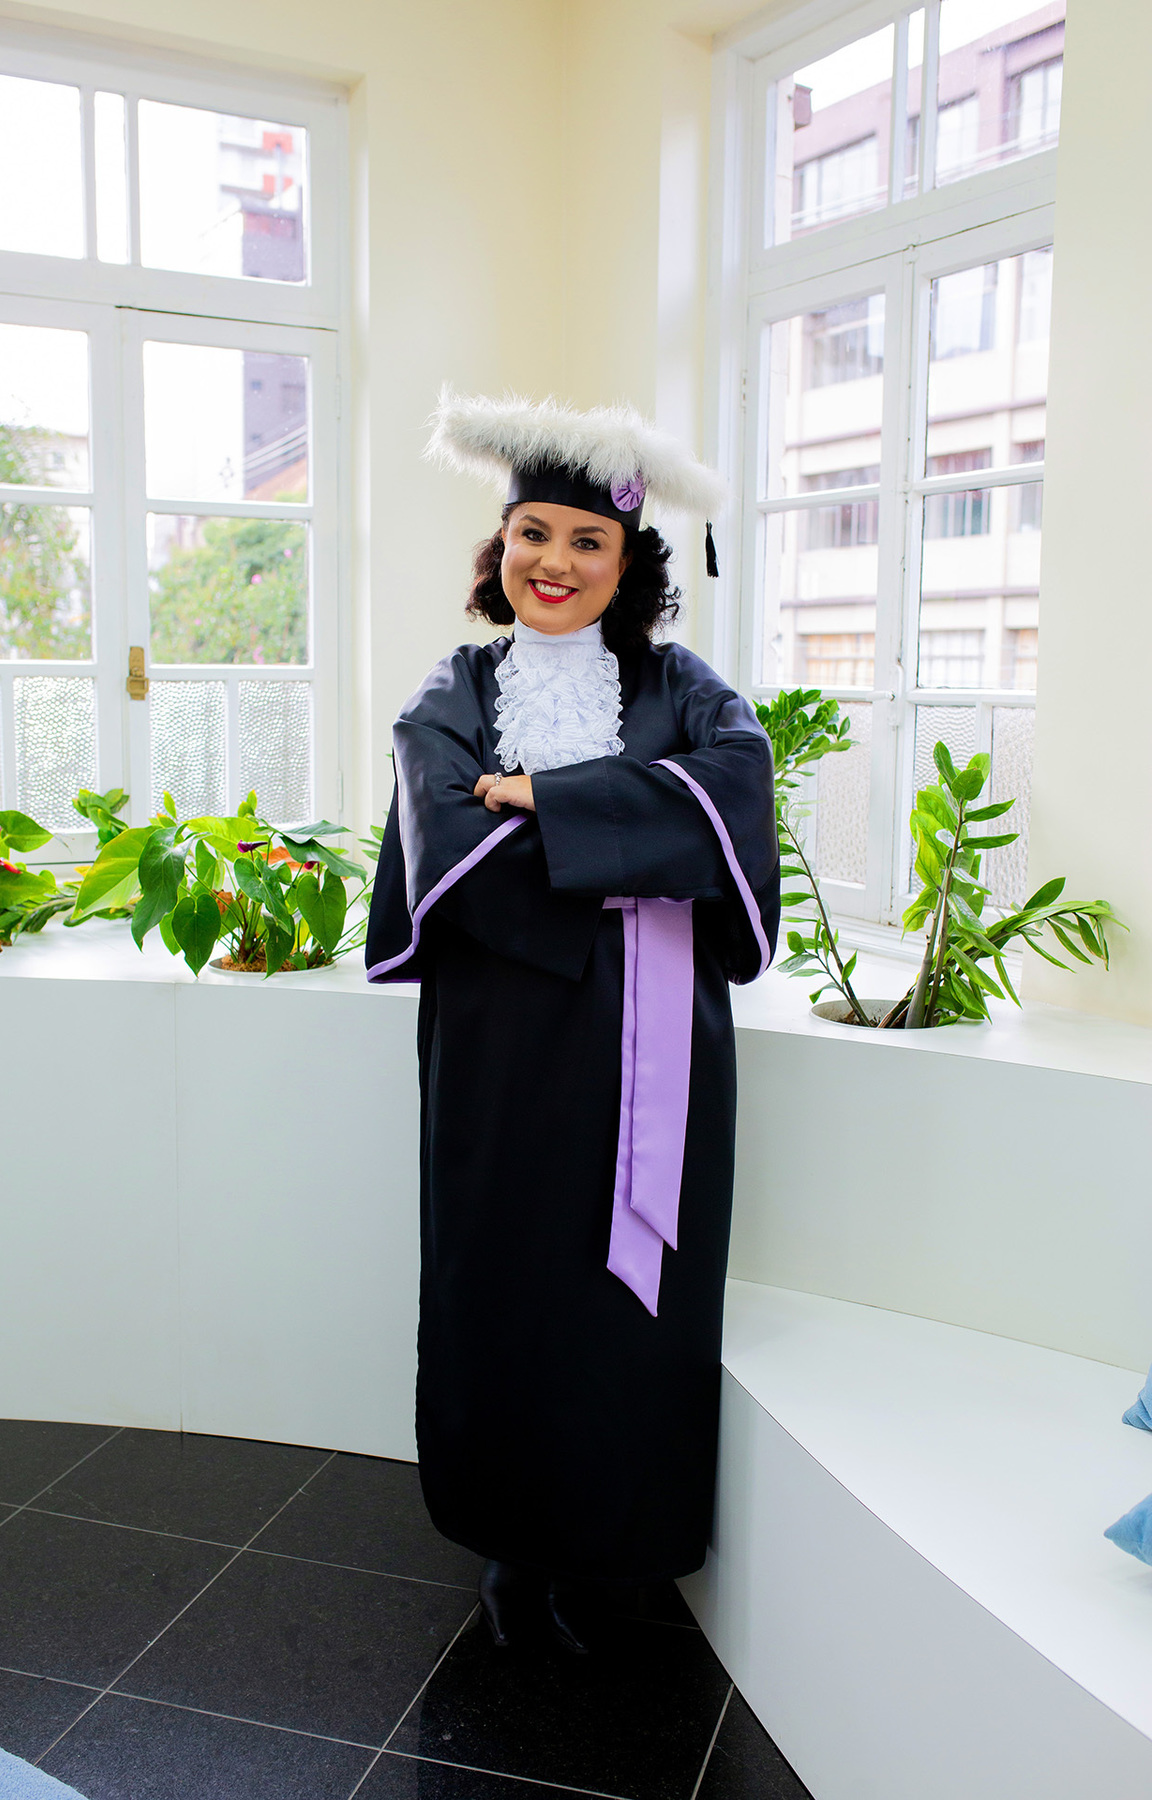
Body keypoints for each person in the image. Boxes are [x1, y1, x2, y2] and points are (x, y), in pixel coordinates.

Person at [366, 392, 780, 1651]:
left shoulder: (681, 684)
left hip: (662, 1044)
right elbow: (446, 833)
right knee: (502, 1275)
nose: (554, 563)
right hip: (503, 1039)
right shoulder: (455, 688)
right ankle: (513, 1541)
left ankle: (628, 1544)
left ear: (630, 558)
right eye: (531, 535)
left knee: (639, 1293)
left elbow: (737, 781)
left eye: (585, 542)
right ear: (500, 551)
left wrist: (549, 797)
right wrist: (628, 859)